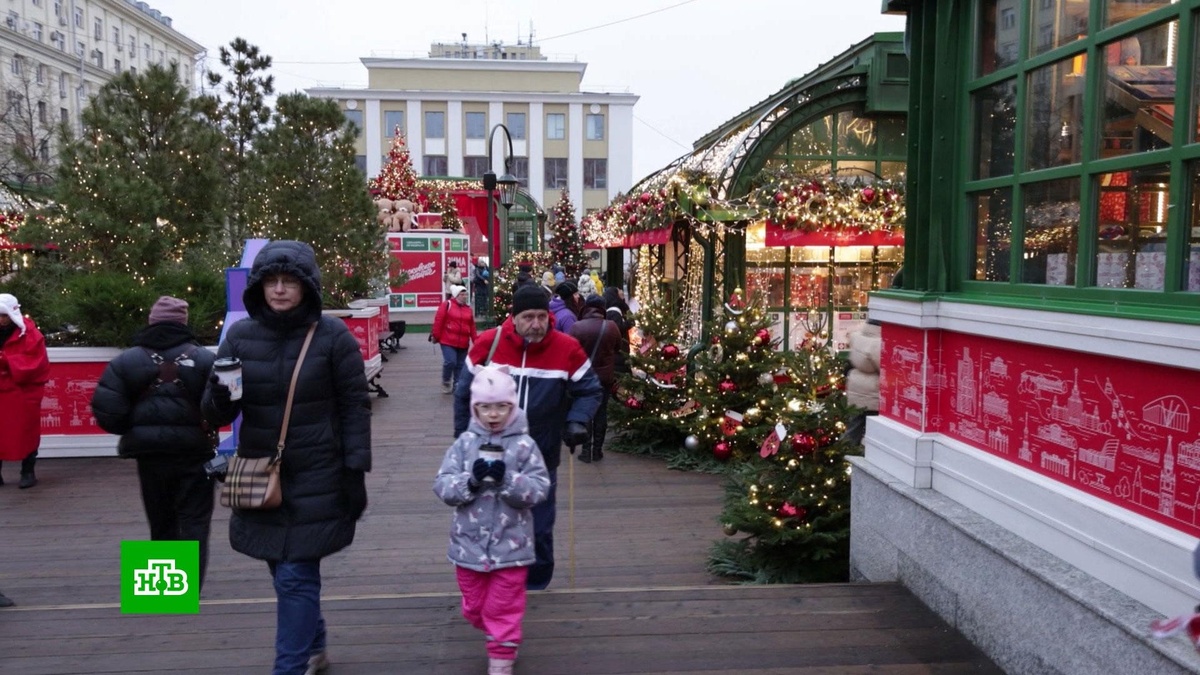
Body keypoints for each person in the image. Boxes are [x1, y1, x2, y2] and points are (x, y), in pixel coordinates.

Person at [202, 241, 371, 675]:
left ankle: (290, 667)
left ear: (307, 286)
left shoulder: (332, 336)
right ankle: (314, 644)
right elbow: (218, 410)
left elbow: (354, 405)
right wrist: (220, 396)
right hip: (261, 472)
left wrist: (356, 471)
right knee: (281, 572)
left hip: (319, 473)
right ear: (259, 286)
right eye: (271, 282)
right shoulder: (240, 335)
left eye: (289, 282)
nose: (279, 290)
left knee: (296, 575)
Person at [453, 284, 602, 590]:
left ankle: (536, 583)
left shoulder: (566, 347)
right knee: (490, 520)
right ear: (514, 317)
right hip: (489, 452)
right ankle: (495, 579)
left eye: (542, 316)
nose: (536, 324)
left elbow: (590, 389)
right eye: (528, 317)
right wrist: (461, 439)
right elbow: (462, 392)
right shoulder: (489, 343)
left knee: (540, 525)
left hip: (540, 452)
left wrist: (576, 420)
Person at [91, 296, 219, 587]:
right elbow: (220, 408)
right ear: (183, 323)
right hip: (195, 451)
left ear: (152, 321)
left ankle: (164, 589)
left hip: (149, 454)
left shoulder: (127, 360)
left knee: (160, 517)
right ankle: (191, 587)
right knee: (195, 520)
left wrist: (134, 427)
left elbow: (107, 411)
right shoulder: (204, 359)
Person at [434, 364, 550, 675]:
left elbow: (540, 488)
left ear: (512, 406)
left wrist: (509, 481)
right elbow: (443, 484)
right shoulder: (464, 444)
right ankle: (495, 630)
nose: (494, 414)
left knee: (503, 608)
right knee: (475, 607)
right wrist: (469, 483)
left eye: (501, 406)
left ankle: (501, 658)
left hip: (511, 548)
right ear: (475, 407)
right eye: (486, 407)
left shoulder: (525, 446)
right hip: (467, 547)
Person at [0, 293, 50, 489]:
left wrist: (5, 361)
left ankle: (27, 471)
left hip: (22, 394)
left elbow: (35, 364)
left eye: (4, 315)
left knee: (27, 432)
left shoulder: (30, 335)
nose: (1, 320)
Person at [568, 296, 622, 463]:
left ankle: (585, 451)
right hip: (605, 378)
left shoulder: (577, 327)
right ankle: (597, 451)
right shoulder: (611, 327)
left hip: (583, 378)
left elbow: (570, 352)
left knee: (585, 412)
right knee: (601, 412)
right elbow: (617, 348)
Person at [431, 284, 477, 394]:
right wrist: (436, 336)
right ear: (456, 295)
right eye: (462, 294)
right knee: (450, 361)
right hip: (447, 340)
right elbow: (439, 320)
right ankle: (446, 380)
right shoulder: (447, 305)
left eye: (466, 294)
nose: (465, 296)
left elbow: (472, 326)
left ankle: (457, 384)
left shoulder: (468, 309)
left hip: (463, 342)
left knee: (460, 365)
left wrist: (476, 341)